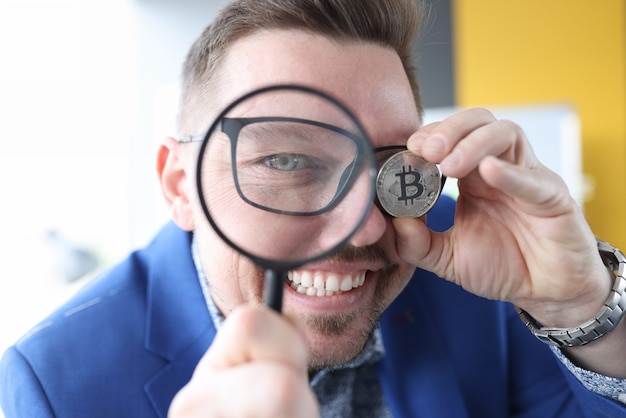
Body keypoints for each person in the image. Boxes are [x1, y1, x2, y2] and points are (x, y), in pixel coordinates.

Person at [2, 0, 626, 416]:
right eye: (285, 161)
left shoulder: (472, 267)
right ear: (179, 185)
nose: (367, 223)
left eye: (392, 163)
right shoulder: (49, 388)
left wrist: (583, 306)